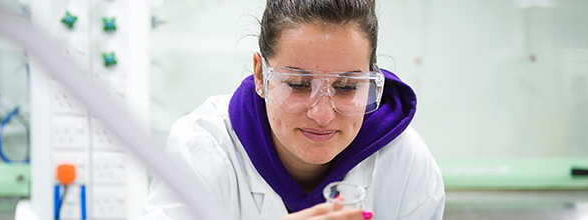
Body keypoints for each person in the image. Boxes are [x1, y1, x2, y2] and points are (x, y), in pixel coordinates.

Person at [143, 0, 445, 219]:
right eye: (299, 84)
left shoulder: (404, 162)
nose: (323, 114)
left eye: (347, 87)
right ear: (260, 75)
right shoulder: (203, 150)